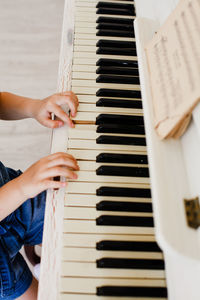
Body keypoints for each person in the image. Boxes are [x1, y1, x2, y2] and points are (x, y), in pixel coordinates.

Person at [0, 91, 79, 299]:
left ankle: (49, 258)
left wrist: (33, 107)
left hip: (12, 195)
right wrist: (23, 186)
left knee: (73, 219)